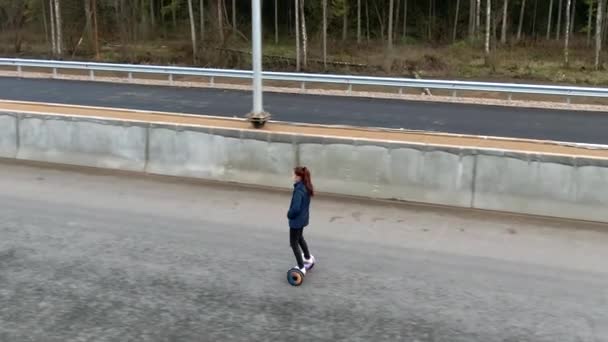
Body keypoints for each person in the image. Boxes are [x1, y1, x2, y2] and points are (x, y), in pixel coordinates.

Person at [287, 166, 315, 274]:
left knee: (294, 243)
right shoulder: (306, 186)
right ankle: (307, 257)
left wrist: (289, 214)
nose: (293, 176)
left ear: (299, 177)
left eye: (294, 174)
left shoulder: (299, 190)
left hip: (296, 221)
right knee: (299, 238)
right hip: (303, 219)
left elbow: (296, 208)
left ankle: (301, 267)